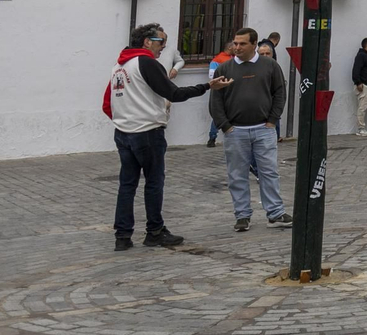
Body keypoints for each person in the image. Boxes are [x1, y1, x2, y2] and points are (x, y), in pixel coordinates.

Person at [104, 22, 232, 250]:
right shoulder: (146, 63)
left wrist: (125, 118)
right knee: (154, 182)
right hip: (146, 132)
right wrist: (207, 86)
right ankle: (154, 231)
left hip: (124, 132)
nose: (164, 47)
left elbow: (108, 103)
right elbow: (173, 92)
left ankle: (122, 236)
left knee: (127, 184)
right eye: (161, 42)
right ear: (147, 41)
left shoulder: (119, 66)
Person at [209, 27, 291, 232]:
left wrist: (273, 120)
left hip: (264, 129)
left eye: (242, 43)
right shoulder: (224, 68)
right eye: (235, 43)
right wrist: (225, 126)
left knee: (269, 172)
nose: (237, 47)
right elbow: (215, 100)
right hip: (235, 131)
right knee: (237, 175)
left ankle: (275, 212)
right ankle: (242, 215)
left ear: (254, 44)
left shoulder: (270, 66)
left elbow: (280, 92)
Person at [206, 41, 235, 146]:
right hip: (222, 89)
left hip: (231, 89)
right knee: (219, 113)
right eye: (235, 45)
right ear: (230, 48)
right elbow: (212, 75)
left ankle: (214, 137)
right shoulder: (218, 59)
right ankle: (212, 137)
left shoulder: (233, 58)